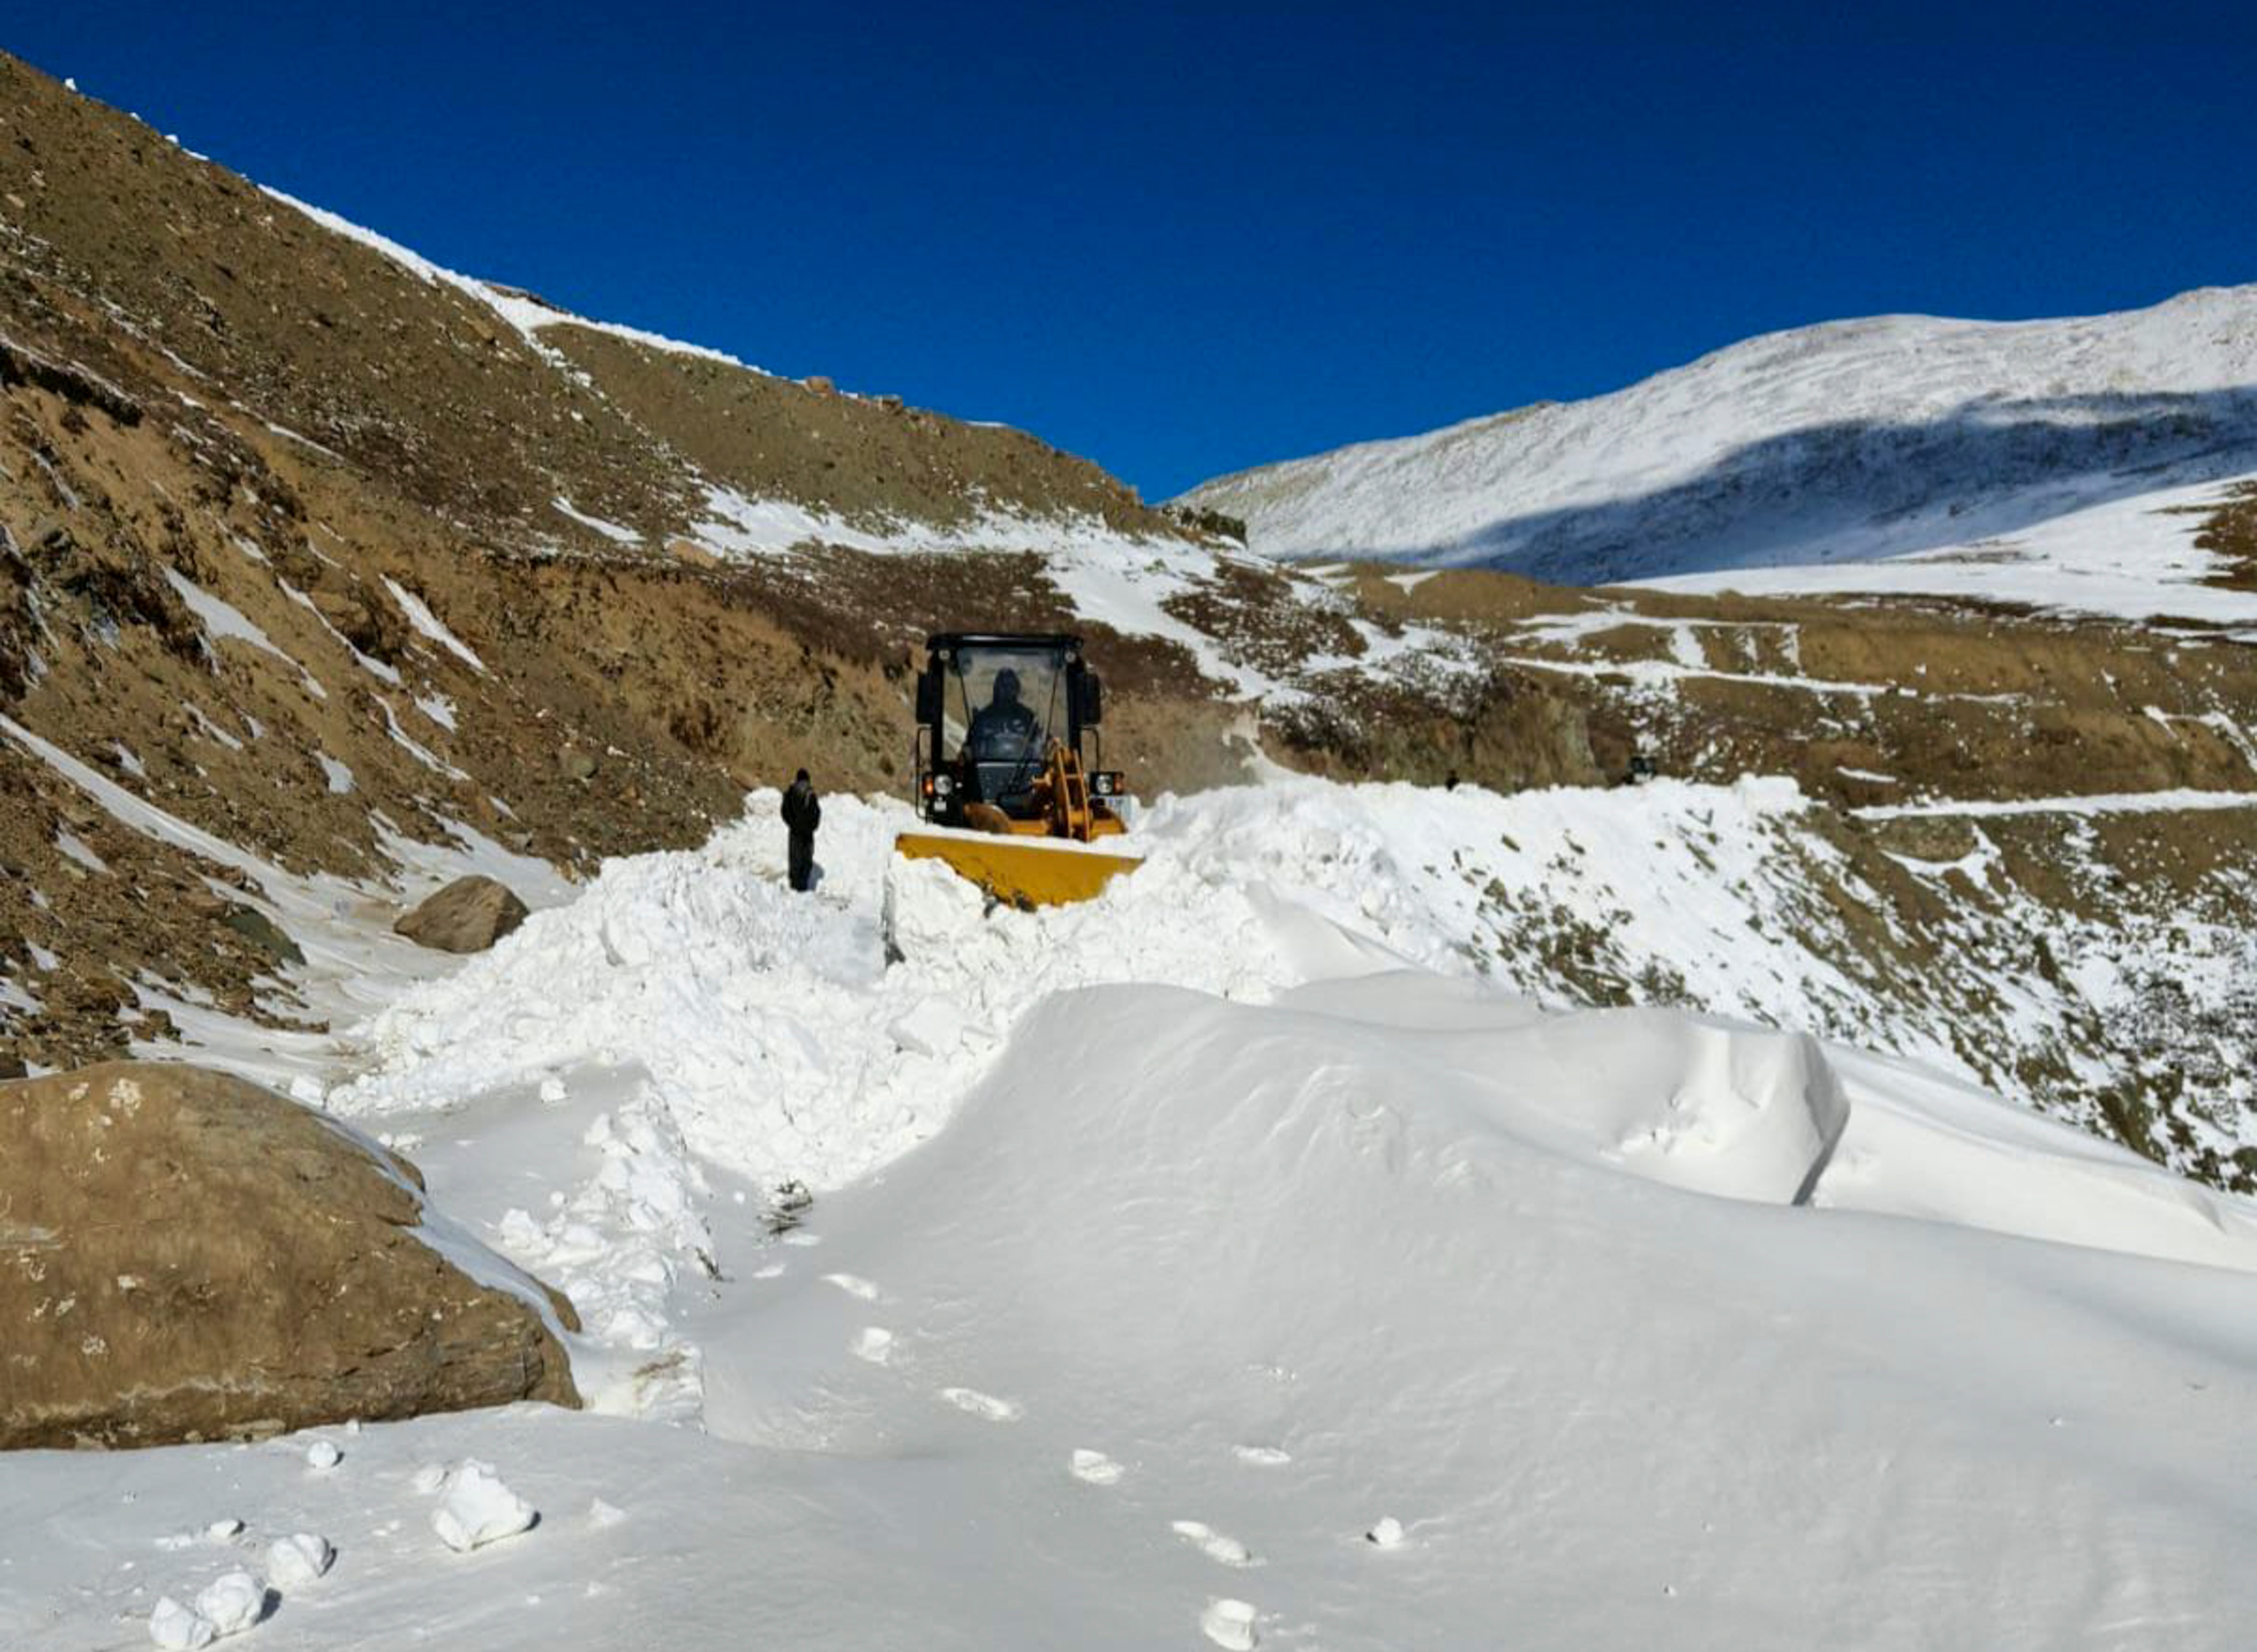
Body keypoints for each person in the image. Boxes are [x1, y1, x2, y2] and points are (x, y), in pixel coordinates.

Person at [966, 667, 1041, 762]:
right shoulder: (982, 718)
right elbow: (969, 749)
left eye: (1011, 686)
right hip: (987, 767)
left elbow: (1039, 748)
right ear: (996, 689)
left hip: (1024, 769)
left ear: (1017, 689)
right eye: (1004, 686)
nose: (1008, 690)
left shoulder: (1029, 718)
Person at [781, 769, 820, 893]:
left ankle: (794, 885)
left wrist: (792, 824)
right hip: (807, 833)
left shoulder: (790, 792)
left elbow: (784, 811)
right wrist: (812, 827)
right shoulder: (811, 794)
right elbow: (816, 814)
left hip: (795, 832)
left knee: (795, 858)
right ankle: (803, 886)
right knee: (806, 858)